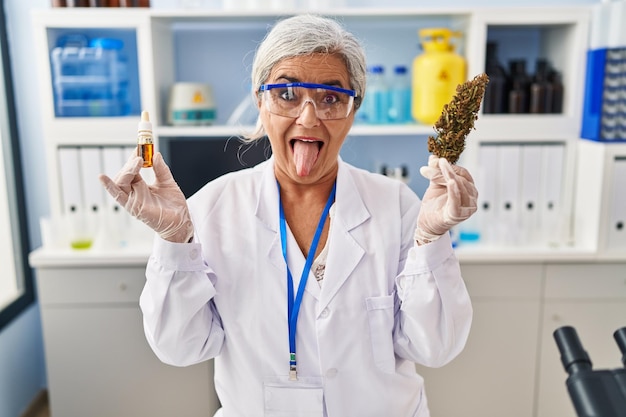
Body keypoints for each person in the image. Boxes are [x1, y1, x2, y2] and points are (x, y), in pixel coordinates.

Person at [100, 14, 478, 417]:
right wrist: (175, 242)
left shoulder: (397, 206)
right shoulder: (212, 209)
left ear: (353, 111)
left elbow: (434, 347)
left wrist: (431, 241)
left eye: (331, 98)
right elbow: (179, 346)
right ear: (260, 102)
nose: (309, 117)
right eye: (287, 94)